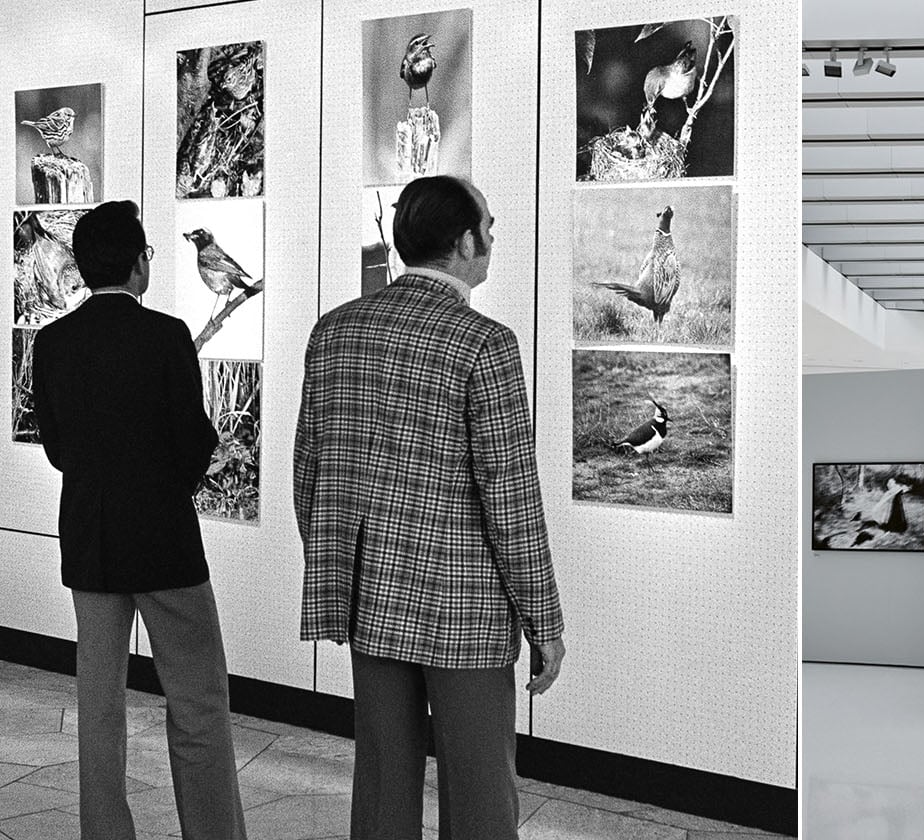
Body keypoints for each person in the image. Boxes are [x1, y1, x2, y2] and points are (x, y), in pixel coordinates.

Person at [293, 175, 565, 840]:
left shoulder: (335, 331)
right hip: (464, 613)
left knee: (383, 786)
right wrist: (545, 622)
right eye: (489, 227)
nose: (494, 238)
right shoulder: (485, 343)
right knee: (479, 798)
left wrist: (341, 571)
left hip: (371, 601)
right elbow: (512, 499)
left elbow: (309, 473)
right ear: (465, 240)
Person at [31, 200, 246, 840]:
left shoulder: (52, 341)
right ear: (136, 263)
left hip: (90, 542)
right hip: (164, 543)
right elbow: (194, 439)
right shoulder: (166, 336)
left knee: (99, 707)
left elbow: (57, 448)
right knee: (198, 702)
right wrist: (161, 490)